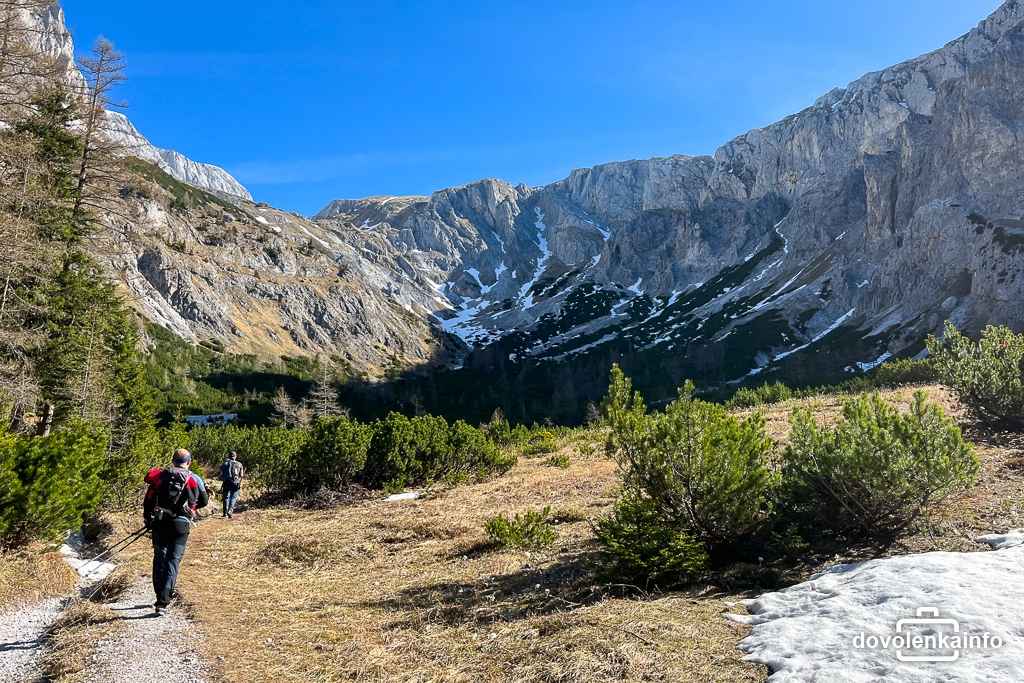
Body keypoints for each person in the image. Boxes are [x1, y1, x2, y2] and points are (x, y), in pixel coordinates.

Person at [143, 449, 208, 614]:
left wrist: (148, 519)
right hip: (181, 525)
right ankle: (163, 601)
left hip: (160, 522)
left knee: (160, 558)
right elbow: (204, 500)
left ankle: (159, 597)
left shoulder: (161, 476)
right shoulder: (194, 478)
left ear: (173, 461)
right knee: (173, 560)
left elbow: (148, 500)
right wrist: (191, 507)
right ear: (189, 462)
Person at [219, 451, 244, 518]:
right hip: (236, 482)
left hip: (226, 482)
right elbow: (241, 475)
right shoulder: (239, 464)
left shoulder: (225, 463)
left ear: (229, 456)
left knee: (225, 497)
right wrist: (239, 482)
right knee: (233, 497)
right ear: (235, 456)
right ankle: (230, 511)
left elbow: (221, 473)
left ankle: (225, 513)